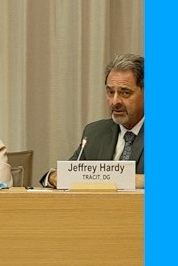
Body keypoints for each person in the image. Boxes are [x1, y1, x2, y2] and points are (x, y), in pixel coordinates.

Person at [41, 53, 144, 187]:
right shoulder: (95, 132)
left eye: (125, 93)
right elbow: (67, 172)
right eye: (110, 92)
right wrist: (53, 177)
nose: (115, 102)